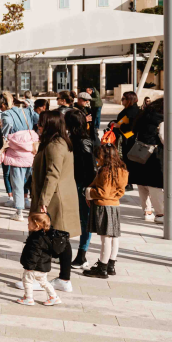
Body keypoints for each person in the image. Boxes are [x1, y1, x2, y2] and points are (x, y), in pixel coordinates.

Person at [29, 110, 80, 294]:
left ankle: (40, 278)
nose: (38, 127)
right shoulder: (56, 142)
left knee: (43, 239)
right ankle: (63, 278)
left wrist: (43, 201)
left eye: (41, 124)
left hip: (54, 199)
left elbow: (53, 174)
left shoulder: (55, 146)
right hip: (57, 197)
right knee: (59, 239)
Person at [83, 144, 127, 279]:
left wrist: (88, 192)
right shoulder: (121, 169)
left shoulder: (106, 171)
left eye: (99, 156)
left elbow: (103, 192)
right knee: (114, 236)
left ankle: (102, 267)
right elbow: (121, 191)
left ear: (105, 156)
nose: (97, 159)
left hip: (104, 206)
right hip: (114, 205)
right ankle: (111, 264)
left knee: (105, 238)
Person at [66, 109, 97, 267]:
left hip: (81, 185)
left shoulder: (82, 141)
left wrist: (87, 190)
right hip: (73, 183)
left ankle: (82, 254)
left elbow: (88, 168)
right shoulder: (72, 138)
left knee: (84, 221)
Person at [126, 98, 165, 222]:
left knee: (142, 184)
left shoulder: (143, 115)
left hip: (139, 153)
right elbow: (163, 138)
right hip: (154, 155)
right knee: (155, 184)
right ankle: (160, 214)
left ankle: (147, 212)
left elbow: (133, 132)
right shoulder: (161, 119)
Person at [17, 215, 63, 307]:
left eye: (29, 223)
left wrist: (29, 266)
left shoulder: (36, 239)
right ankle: (54, 297)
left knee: (27, 281)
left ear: (37, 226)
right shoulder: (45, 236)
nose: (27, 224)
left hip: (34, 266)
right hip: (43, 266)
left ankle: (28, 298)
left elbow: (34, 254)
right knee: (44, 282)